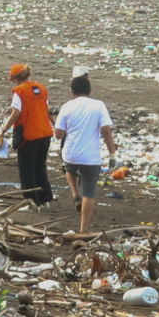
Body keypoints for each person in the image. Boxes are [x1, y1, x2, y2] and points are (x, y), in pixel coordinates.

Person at [52, 74, 114, 235]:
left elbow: (58, 134)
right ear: (90, 91)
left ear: (72, 92)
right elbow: (106, 131)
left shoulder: (67, 107)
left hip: (70, 154)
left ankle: (74, 195)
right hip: (91, 158)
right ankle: (83, 230)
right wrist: (112, 154)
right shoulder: (99, 105)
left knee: (69, 169)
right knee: (89, 192)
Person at [0, 63, 56, 207]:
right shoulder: (41, 88)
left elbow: (16, 113)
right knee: (40, 166)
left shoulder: (19, 91)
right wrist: (56, 126)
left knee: (27, 169)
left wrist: (4, 130)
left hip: (28, 135)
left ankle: (31, 202)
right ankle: (45, 199)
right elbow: (47, 110)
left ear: (15, 78)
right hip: (45, 133)